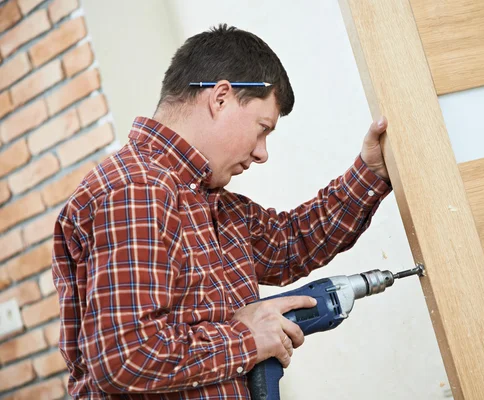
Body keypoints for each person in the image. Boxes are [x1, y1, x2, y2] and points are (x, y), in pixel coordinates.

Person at [52, 24, 391, 399]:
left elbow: (290, 243)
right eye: (262, 129)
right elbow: (127, 355)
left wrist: (371, 171)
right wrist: (246, 339)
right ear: (221, 98)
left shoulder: (210, 200)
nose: (262, 152)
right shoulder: (137, 189)